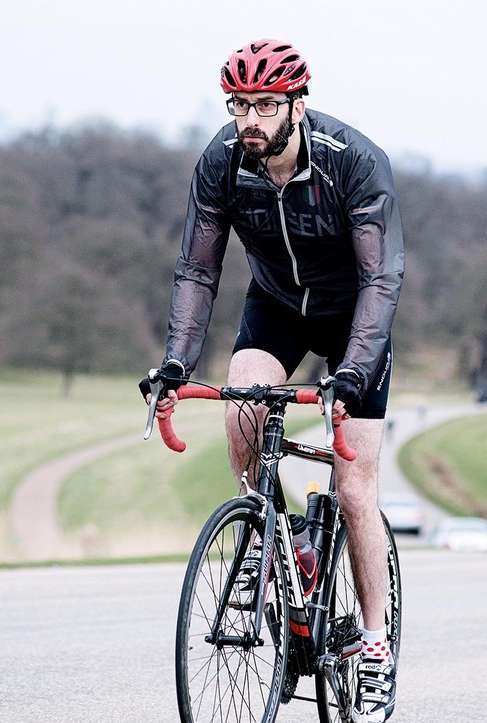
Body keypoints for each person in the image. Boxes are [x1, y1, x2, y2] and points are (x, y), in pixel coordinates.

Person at [141, 38, 404, 723]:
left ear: (296, 104)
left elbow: (382, 277)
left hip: (355, 320)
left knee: (353, 486)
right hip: (278, 308)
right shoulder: (223, 163)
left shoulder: (354, 162)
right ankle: (265, 535)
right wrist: (177, 362)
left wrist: (351, 372)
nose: (248, 118)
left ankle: (373, 645)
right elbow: (198, 271)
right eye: (239, 104)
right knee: (240, 408)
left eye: (263, 104)